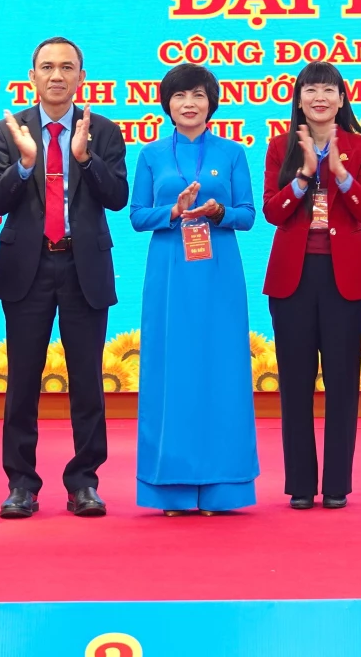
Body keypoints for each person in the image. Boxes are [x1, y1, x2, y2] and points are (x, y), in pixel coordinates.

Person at [0, 36, 128, 519]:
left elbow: (117, 198)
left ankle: (84, 482)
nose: (57, 76)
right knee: (22, 381)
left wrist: (85, 158)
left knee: (87, 381)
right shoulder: (9, 130)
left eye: (67, 67)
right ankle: (21, 484)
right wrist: (26, 165)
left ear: (81, 77)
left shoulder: (102, 130)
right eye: (47, 67)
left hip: (83, 266)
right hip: (27, 267)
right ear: (33, 76)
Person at [130, 63, 259, 513]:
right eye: (180, 96)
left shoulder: (233, 153)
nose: (189, 103)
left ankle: (224, 488)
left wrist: (219, 212)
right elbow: (136, 216)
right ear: (167, 104)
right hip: (169, 272)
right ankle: (172, 487)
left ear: (211, 103)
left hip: (219, 271)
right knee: (171, 371)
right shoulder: (151, 154)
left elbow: (248, 214)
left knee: (223, 371)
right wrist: (172, 210)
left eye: (198, 95)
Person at [262, 61, 361, 510]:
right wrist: (303, 176)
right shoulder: (280, 146)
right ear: (298, 99)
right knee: (295, 383)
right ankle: (299, 484)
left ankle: (336, 484)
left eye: (328, 90)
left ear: (341, 99)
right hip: (293, 277)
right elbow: (272, 212)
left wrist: (340, 173)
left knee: (342, 382)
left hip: (344, 277)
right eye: (310, 89)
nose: (319, 98)